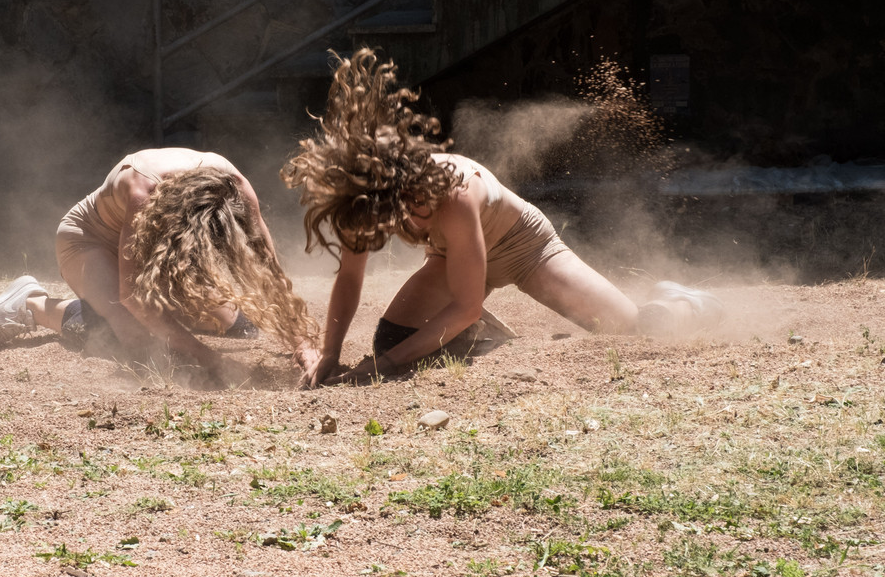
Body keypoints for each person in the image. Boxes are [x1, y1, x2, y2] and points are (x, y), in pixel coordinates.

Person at [280, 49, 723, 387]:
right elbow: (351, 279)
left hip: (524, 248)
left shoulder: (452, 192)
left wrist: (385, 366)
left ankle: (684, 301)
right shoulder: (359, 200)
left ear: (404, 185)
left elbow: (466, 303)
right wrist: (329, 355)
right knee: (394, 340)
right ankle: (485, 340)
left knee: (634, 331)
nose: (391, 228)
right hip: (452, 257)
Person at [0, 148, 320, 385]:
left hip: (156, 244)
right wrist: (211, 360)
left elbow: (268, 271)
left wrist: (303, 344)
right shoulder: (143, 189)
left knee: (237, 324)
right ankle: (34, 305)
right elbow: (134, 296)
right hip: (89, 240)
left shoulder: (236, 186)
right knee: (134, 339)